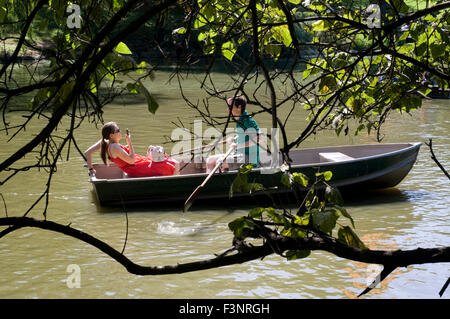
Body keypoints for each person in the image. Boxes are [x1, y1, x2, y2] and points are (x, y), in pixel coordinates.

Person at [84, 122, 179, 177]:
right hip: (137, 168)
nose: (120, 132)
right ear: (111, 135)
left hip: (138, 163)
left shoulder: (105, 143)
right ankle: (176, 184)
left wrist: (91, 169)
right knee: (175, 163)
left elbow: (87, 153)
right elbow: (132, 160)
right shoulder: (114, 147)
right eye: (118, 131)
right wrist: (129, 142)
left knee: (151, 148)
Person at [206, 95, 260, 173]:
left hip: (249, 158)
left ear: (239, 107)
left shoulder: (248, 120)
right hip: (239, 154)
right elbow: (245, 136)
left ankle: (215, 182)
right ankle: (210, 183)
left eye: (230, 106)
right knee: (210, 160)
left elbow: (259, 138)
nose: (228, 109)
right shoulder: (238, 119)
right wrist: (234, 139)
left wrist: (238, 145)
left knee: (219, 162)